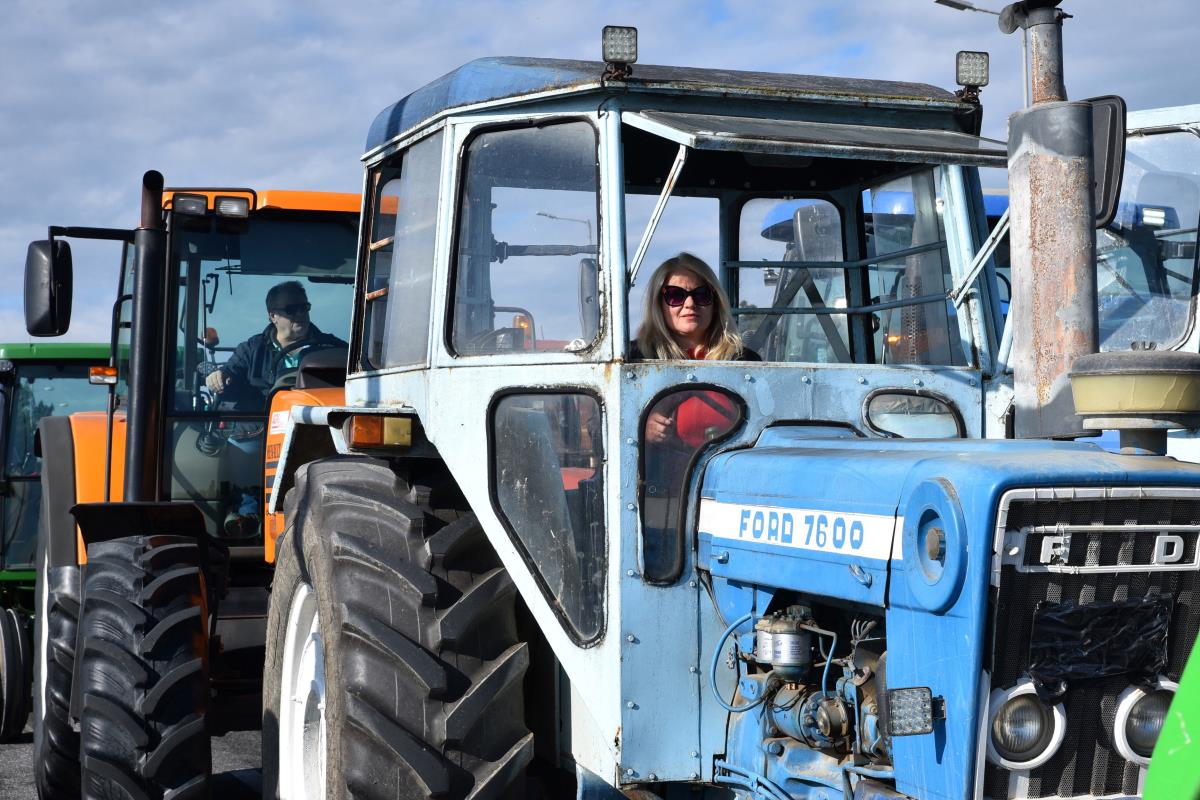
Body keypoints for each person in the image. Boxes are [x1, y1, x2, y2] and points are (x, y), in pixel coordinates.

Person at [633, 253, 759, 446]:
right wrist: (638, 427)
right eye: (675, 296)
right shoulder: (634, 360)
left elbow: (767, 425)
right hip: (658, 474)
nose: (690, 304)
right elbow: (598, 423)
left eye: (701, 295)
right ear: (658, 305)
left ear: (715, 304)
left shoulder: (745, 363)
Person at [205, 281, 346, 409]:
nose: (300, 314)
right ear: (273, 316)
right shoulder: (252, 349)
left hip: (317, 428)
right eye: (291, 310)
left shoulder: (333, 348)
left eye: (304, 308)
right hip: (258, 431)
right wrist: (218, 378)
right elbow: (230, 374)